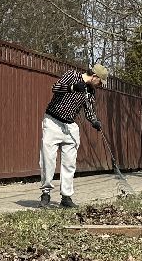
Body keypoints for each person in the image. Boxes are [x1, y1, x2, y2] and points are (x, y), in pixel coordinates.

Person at [39, 64, 108, 208]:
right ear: (94, 76)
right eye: (100, 81)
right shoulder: (72, 75)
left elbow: (88, 109)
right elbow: (55, 88)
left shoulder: (90, 90)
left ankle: (66, 197)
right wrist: (73, 88)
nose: (100, 85)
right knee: (48, 160)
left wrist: (94, 121)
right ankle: (45, 194)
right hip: (53, 121)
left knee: (69, 163)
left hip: (70, 126)